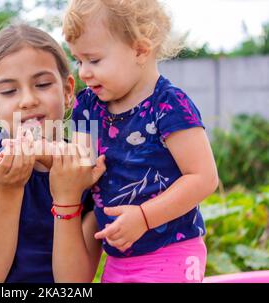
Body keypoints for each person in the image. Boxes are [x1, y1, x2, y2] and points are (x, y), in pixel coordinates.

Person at [57, 0, 219, 283]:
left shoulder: (169, 105)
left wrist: (144, 217)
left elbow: (203, 178)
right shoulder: (88, 106)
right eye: (78, 60)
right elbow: (79, 164)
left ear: (140, 50)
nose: (83, 72)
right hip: (118, 258)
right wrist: (40, 154)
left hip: (172, 251)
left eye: (93, 60)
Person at [0, 24, 106, 283]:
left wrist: (67, 196)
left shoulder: (86, 165)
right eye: (10, 91)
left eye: (42, 84)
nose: (27, 100)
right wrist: (9, 189)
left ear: (68, 91)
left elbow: (74, 283)